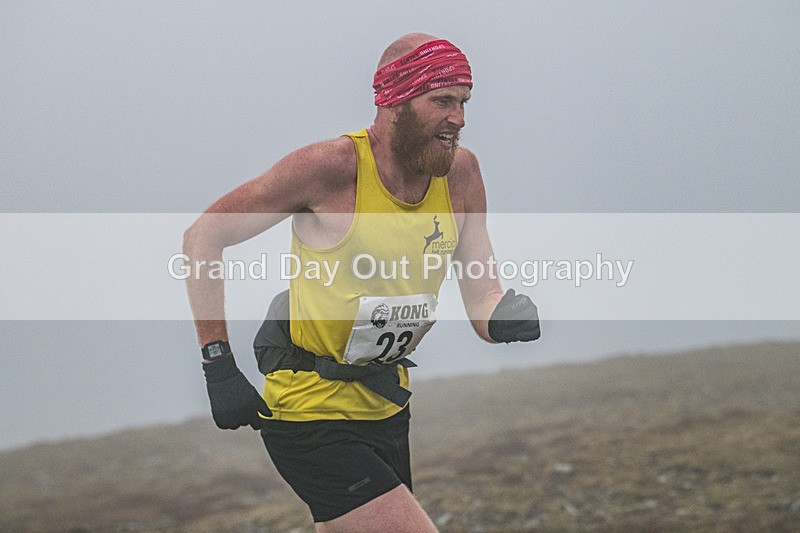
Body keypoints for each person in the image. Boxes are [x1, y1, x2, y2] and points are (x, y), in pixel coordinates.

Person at [183, 32, 540, 532]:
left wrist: (503, 318)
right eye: (443, 100)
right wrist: (217, 364)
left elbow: (482, 293)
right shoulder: (328, 170)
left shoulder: (461, 174)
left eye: (463, 102)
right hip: (308, 411)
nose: (458, 118)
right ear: (395, 100)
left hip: (385, 405)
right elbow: (203, 237)